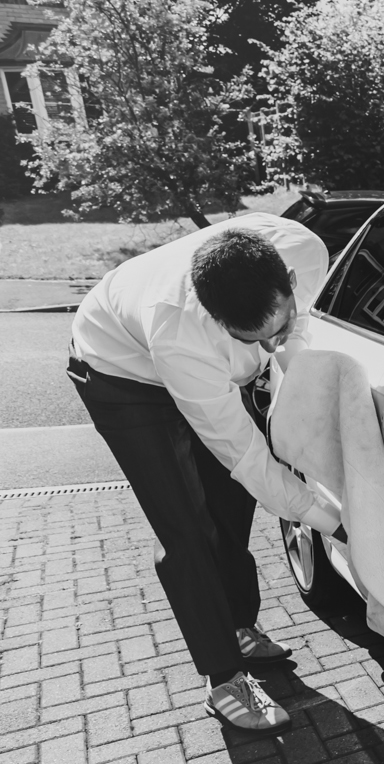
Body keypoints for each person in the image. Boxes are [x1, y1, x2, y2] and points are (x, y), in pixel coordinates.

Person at [68, 213, 344, 737]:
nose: (271, 347)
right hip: (122, 376)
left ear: (287, 279)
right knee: (186, 526)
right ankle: (224, 677)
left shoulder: (304, 250)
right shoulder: (181, 335)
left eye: (280, 325)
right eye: (254, 339)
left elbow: (294, 338)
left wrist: (295, 360)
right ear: (217, 319)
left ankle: (239, 626)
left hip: (189, 362)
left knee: (231, 507)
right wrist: (327, 519)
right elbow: (243, 454)